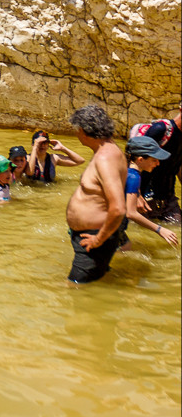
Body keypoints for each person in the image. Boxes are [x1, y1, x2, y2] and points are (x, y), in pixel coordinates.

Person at [66, 105, 127, 284]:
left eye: (77, 130)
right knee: (95, 287)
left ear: (83, 130)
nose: (76, 134)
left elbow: (118, 208)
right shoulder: (107, 151)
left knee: (75, 290)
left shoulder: (105, 158)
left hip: (94, 238)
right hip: (92, 236)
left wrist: (99, 239)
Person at [121, 136, 179, 249]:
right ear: (140, 160)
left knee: (126, 247)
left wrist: (138, 195)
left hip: (105, 223)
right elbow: (131, 213)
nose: (158, 164)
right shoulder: (134, 177)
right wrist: (159, 229)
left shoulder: (125, 170)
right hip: (111, 226)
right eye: (154, 160)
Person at [132, 106, 182, 223]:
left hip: (168, 198)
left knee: (177, 228)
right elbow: (134, 161)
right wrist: (136, 195)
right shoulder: (160, 129)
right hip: (144, 195)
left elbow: (178, 165)